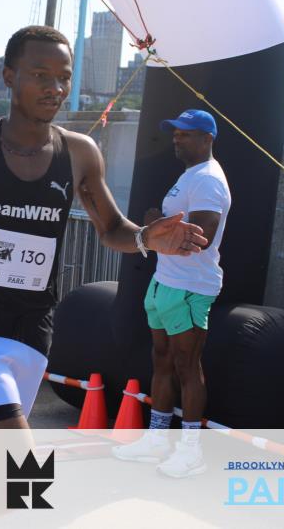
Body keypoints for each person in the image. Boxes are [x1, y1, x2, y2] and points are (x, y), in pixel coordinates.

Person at [0, 25, 207, 430]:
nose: (55, 88)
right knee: (13, 448)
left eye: (64, 77)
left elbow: (111, 227)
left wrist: (145, 238)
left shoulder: (80, 152)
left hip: (34, 327)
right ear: (9, 76)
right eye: (40, 75)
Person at [112, 109, 231, 478]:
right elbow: (169, 229)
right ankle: (157, 439)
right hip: (165, 281)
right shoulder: (190, 175)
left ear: (207, 138)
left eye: (186, 133)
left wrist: (154, 225)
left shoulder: (208, 179)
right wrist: (156, 227)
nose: (177, 138)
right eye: (176, 132)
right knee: (162, 360)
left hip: (190, 287)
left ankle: (191, 451)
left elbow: (199, 237)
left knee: (187, 366)